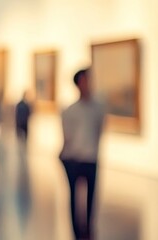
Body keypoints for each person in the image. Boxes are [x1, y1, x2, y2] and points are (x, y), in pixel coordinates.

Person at [60, 69, 105, 240]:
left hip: (91, 158)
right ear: (78, 84)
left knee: (91, 197)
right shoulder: (70, 111)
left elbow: (99, 131)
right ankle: (76, 231)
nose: (89, 84)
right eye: (86, 81)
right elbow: (67, 137)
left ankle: (88, 229)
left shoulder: (98, 108)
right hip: (74, 158)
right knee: (73, 195)